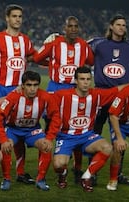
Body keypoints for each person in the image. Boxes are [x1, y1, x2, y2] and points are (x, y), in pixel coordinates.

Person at [0, 4, 36, 186]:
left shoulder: (26, 41)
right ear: (7, 19)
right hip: (0, 89)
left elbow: (35, 56)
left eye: (20, 16)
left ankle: (20, 172)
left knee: (19, 130)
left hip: (20, 91)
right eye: (14, 16)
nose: (17, 19)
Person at [32, 16, 94, 184]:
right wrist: (52, 62)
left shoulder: (83, 45)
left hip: (75, 89)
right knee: (50, 128)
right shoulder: (54, 44)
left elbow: (91, 61)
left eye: (76, 26)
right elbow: (37, 59)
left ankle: (77, 168)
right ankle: (42, 171)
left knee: (77, 128)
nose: (73, 29)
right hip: (56, 89)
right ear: (64, 28)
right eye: (70, 26)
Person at [87, 14, 129, 185]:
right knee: (94, 134)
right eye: (118, 24)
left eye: (124, 25)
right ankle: (93, 172)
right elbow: (80, 50)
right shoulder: (97, 43)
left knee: (120, 136)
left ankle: (117, 173)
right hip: (101, 95)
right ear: (111, 26)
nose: (122, 27)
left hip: (122, 97)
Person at [53, 67, 126, 192]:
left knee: (107, 148)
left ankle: (86, 176)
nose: (86, 82)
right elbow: (42, 98)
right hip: (66, 136)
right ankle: (63, 173)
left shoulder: (97, 94)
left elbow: (116, 90)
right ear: (76, 81)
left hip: (87, 136)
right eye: (82, 79)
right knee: (58, 164)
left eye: (88, 79)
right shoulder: (62, 95)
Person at [0, 70, 61, 191]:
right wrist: (3, 140)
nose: (32, 89)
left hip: (32, 130)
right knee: (6, 146)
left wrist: (50, 138)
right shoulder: (13, 97)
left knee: (46, 146)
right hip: (13, 129)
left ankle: (40, 179)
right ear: (23, 85)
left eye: (35, 85)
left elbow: (56, 116)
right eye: (29, 85)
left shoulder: (45, 97)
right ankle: (7, 179)